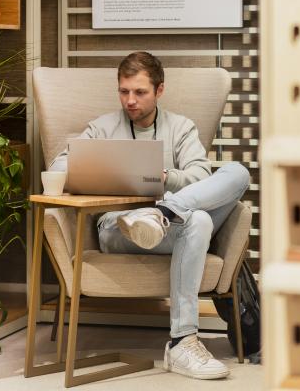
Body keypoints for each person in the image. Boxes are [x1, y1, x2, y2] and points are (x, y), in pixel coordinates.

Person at [48, 51, 250, 380]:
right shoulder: (103, 127)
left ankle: (165, 213)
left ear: (159, 90)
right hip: (119, 229)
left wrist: (164, 177)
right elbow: (58, 166)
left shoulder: (181, 127)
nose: (130, 100)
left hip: (171, 226)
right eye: (124, 91)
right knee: (198, 219)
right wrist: (112, 167)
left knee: (237, 173)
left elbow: (201, 176)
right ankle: (184, 340)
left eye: (140, 92)